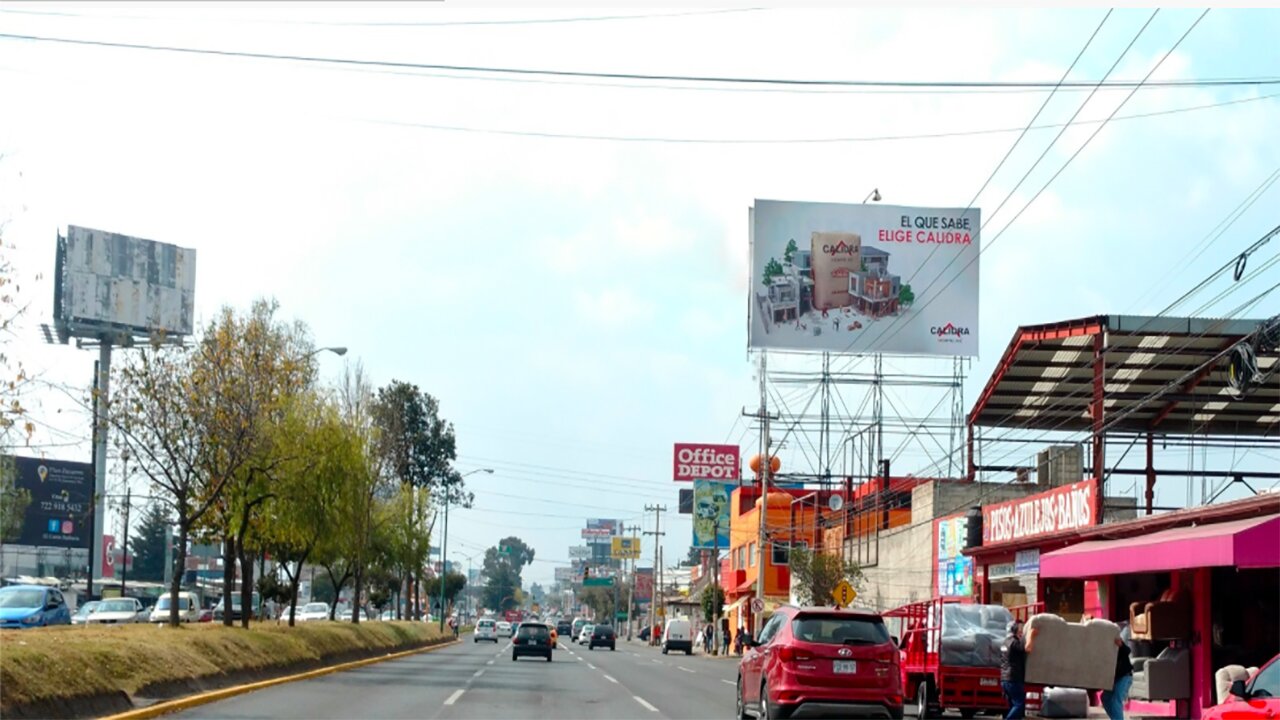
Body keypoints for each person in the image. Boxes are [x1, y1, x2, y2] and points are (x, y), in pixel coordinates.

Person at [1001, 620, 1032, 720]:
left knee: (1012, 705)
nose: (1020, 631)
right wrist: (1032, 634)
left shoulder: (1005, 642)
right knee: (1019, 704)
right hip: (1013, 678)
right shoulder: (1014, 642)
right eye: (1019, 629)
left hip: (1005, 679)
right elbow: (1028, 648)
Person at [1101, 635, 1133, 720]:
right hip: (1113, 678)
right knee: (1105, 698)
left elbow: (1128, 650)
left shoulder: (1118, 644)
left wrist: (1121, 645)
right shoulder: (1103, 649)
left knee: (1116, 700)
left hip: (1124, 676)